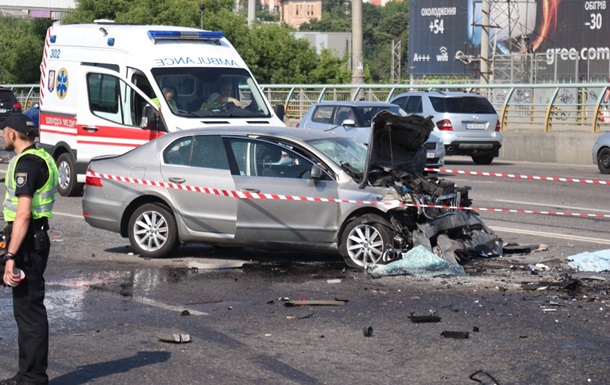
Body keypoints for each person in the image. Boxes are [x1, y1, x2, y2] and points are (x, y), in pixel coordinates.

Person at [0, 113, 58, 385]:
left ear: (12, 133)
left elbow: (23, 214)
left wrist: (10, 256)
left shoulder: (27, 165)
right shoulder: (44, 156)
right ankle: (27, 375)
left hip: (26, 243)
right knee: (25, 309)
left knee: (29, 310)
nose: (2, 135)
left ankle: (33, 378)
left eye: (3, 131)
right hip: (33, 238)